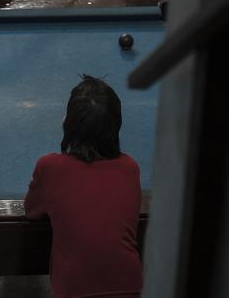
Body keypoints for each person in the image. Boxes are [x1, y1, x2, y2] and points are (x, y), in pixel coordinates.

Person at [24, 75, 143, 298]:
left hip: (75, 288)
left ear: (67, 123)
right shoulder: (130, 167)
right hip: (130, 284)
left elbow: (31, 210)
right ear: (116, 126)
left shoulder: (50, 167)